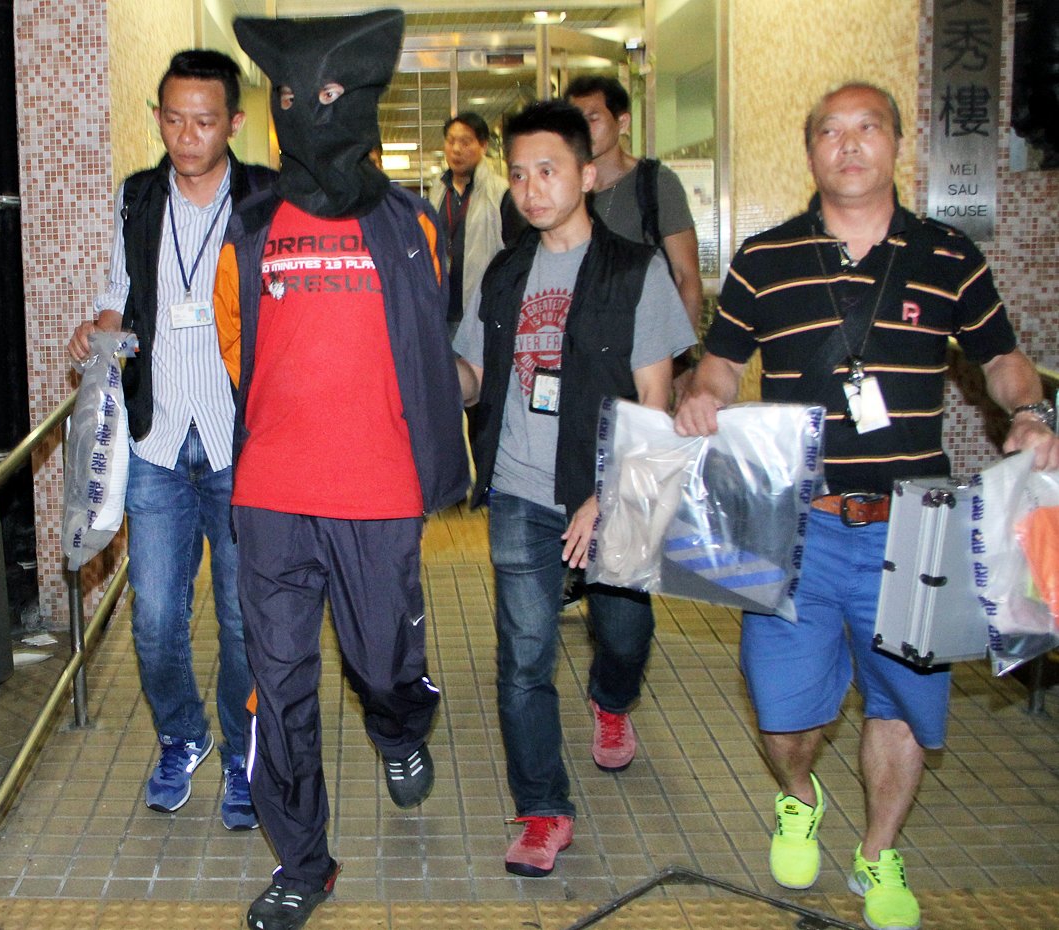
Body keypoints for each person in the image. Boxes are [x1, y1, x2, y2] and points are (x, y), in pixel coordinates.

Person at [674, 82, 1059, 930]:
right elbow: (719, 365)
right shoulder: (764, 258)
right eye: (831, 133)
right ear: (810, 152)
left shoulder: (948, 254)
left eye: (868, 129)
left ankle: (879, 853)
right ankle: (799, 796)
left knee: (903, 707)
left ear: (896, 144)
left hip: (917, 530)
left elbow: (1002, 360)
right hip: (793, 525)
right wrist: (702, 396)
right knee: (781, 713)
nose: (849, 146)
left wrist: (1028, 410)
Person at [218, 11, 469, 930]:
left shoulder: (411, 224)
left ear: (361, 104)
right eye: (291, 97)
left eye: (329, 95)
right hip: (272, 498)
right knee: (277, 685)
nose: (309, 112)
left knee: (379, 664)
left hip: (378, 496)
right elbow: (237, 340)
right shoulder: (250, 222)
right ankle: (304, 860)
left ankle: (401, 723)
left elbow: (426, 335)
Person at [452, 100, 695, 879]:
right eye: (518, 173)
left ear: (588, 174)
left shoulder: (635, 268)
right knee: (523, 658)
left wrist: (607, 494)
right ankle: (543, 809)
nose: (530, 188)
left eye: (548, 170)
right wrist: (417, 366)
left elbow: (655, 400)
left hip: (612, 487)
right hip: (521, 491)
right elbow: (471, 378)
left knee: (622, 631)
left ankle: (612, 699)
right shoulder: (504, 271)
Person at [66, 50, 273, 831]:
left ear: (234, 124)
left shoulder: (264, 200)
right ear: (158, 117)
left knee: (244, 621)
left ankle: (245, 753)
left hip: (238, 443)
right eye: (174, 119)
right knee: (153, 619)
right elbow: (122, 298)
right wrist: (98, 334)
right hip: (156, 440)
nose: (187, 136)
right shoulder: (138, 197)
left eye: (206, 121)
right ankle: (182, 737)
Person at [563, 75, 704, 332]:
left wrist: (679, 358)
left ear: (622, 122)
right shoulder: (564, 190)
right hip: (583, 344)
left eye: (593, 119)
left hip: (646, 342)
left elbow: (687, 276)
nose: (582, 130)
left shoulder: (656, 183)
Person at [429, 112, 519, 336]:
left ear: (483, 145)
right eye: (451, 141)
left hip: (480, 312)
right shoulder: (437, 191)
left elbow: (516, 253)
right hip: (441, 311)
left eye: (465, 142)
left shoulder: (501, 192)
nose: (456, 149)